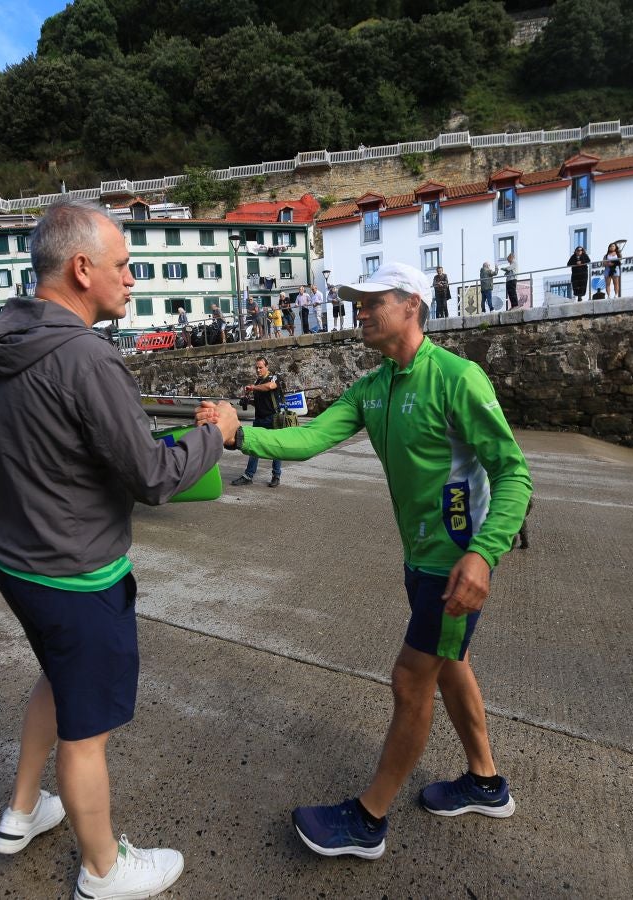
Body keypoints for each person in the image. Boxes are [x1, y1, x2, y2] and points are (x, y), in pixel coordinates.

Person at [198, 261, 531, 860]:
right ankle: (485, 782)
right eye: (356, 298)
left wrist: (483, 555)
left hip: (453, 566)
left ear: (410, 304)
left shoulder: (458, 379)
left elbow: (513, 472)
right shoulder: (374, 388)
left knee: (411, 679)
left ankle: (369, 820)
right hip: (420, 560)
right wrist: (238, 434)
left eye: (371, 299)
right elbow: (309, 437)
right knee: (449, 665)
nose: (359, 308)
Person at [0, 200, 236, 899]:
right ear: (82, 269)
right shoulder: (87, 356)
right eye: (123, 266)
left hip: (13, 559)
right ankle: (102, 871)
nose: (131, 280)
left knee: (56, 680)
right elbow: (150, 475)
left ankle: (20, 814)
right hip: (77, 574)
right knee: (86, 730)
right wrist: (217, 435)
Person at [230, 356, 282, 488]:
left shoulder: (274, 378)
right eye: (256, 368)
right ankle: (248, 476)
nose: (258, 370)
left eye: (260, 367)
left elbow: (270, 387)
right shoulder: (258, 381)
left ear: (267, 367)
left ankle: (276, 475)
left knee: (275, 448)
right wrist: (248, 401)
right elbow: (260, 401)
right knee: (254, 447)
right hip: (259, 418)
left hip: (272, 418)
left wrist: (253, 388)